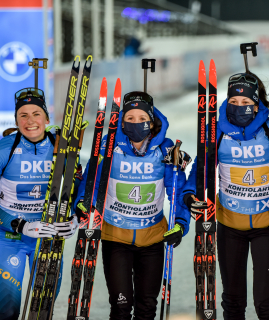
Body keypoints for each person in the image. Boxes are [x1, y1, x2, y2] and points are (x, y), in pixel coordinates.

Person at [181, 72, 269, 319]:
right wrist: (189, 194)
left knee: (266, 302)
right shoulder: (216, 130)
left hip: (267, 226)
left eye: (246, 102)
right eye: (234, 102)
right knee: (233, 301)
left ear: (257, 103)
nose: (239, 107)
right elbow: (201, 168)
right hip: (229, 225)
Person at [73, 91, 191, 319]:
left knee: (147, 307)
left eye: (141, 118)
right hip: (115, 238)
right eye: (130, 118)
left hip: (153, 239)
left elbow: (176, 190)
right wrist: (83, 204)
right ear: (122, 121)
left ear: (151, 120)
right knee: (121, 305)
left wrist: (180, 224)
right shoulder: (108, 146)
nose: (136, 123)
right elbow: (93, 180)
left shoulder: (164, 149)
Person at [0, 87, 81, 320]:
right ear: (16, 119)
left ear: (46, 118)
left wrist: (75, 218)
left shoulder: (62, 147)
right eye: (23, 115)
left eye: (36, 113)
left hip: (47, 238)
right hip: (9, 238)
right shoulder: (2, 150)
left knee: (42, 311)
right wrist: (21, 225)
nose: (30, 121)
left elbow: (76, 190)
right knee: (9, 310)